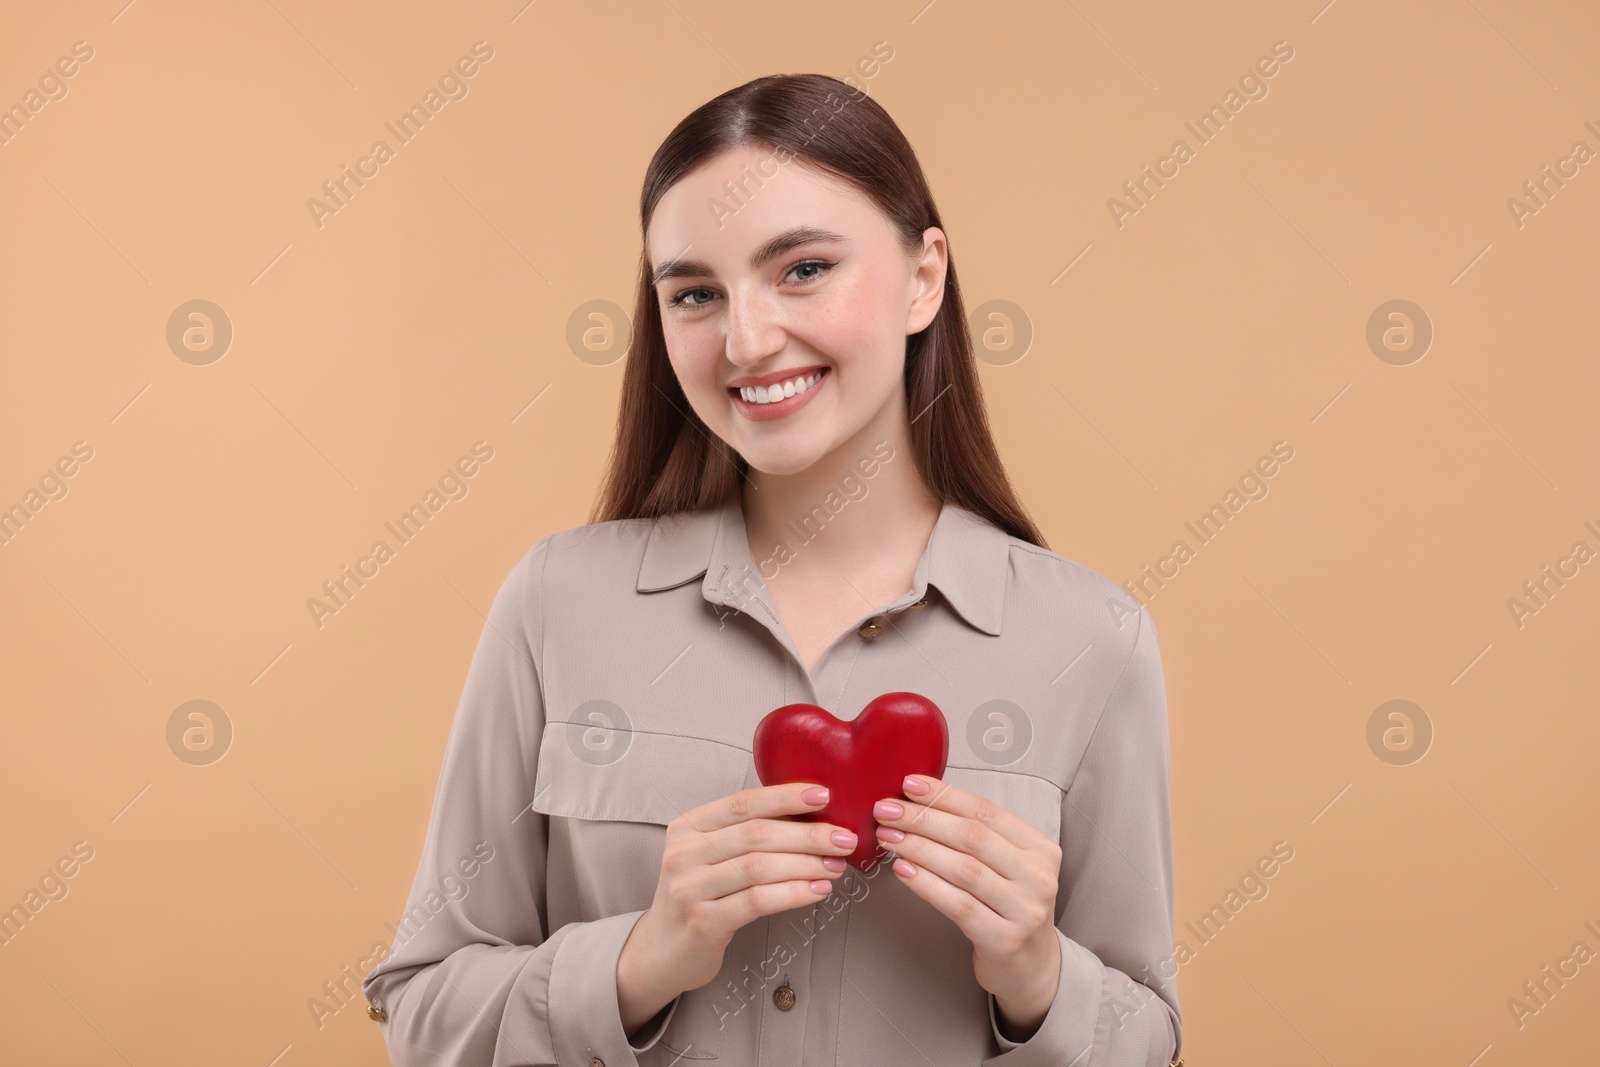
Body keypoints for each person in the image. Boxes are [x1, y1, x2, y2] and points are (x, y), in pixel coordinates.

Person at [362, 72, 1182, 1067]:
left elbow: (1147, 1038)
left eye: (801, 269)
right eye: (695, 292)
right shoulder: (555, 605)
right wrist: (641, 955)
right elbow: (420, 1011)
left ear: (925, 276)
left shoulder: (1092, 640)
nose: (744, 341)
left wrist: (1037, 974)